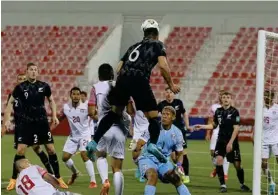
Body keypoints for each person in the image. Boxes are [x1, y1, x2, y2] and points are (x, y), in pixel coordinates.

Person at [87, 19, 180, 163]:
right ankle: (152, 145)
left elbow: (118, 68)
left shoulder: (133, 47)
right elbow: (163, 66)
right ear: (156, 33)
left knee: (114, 113)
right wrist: (172, 84)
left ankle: (94, 142)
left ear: (144, 32)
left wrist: (123, 85)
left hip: (123, 79)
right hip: (139, 78)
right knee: (154, 117)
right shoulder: (157, 45)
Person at [2, 62, 68, 189]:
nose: (33, 71)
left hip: (42, 122)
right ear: (27, 71)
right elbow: (10, 102)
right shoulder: (20, 87)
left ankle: (58, 178)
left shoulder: (44, 86)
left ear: (38, 72)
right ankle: (13, 179)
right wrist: (8, 119)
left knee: (51, 149)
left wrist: (54, 115)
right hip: (27, 123)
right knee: (20, 150)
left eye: (35, 70)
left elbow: (51, 100)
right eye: (31, 69)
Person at [87, 63, 132, 195]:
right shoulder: (121, 86)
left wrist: (100, 116)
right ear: (112, 74)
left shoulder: (95, 87)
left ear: (99, 76)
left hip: (103, 128)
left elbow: (90, 112)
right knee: (117, 168)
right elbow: (130, 110)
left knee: (101, 156)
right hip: (120, 129)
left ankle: (105, 180)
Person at [5, 73, 54, 191]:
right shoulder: (13, 95)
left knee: (37, 148)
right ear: (17, 81)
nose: (21, 81)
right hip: (20, 127)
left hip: (30, 126)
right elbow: (9, 109)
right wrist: (5, 122)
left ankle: (50, 173)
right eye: (19, 79)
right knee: (21, 151)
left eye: (23, 79)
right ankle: (14, 178)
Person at [194, 92, 250, 193]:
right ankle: (223, 185)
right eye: (224, 97)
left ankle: (242, 184)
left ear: (231, 99)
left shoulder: (235, 112)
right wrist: (202, 127)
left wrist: (230, 143)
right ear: (221, 99)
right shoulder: (218, 111)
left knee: (237, 165)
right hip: (221, 140)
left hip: (232, 142)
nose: (226, 99)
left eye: (228, 97)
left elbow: (236, 129)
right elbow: (214, 125)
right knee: (219, 161)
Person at [133, 106, 191, 195]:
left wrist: (179, 165)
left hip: (163, 161)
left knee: (175, 178)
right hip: (147, 159)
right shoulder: (152, 127)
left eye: (167, 114)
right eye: (163, 114)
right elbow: (139, 143)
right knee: (153, 176)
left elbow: (180, 153)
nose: (164, 116)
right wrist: (135, 156)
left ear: (173, 117)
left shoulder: (178, 133)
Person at [61, 87, 97, 188]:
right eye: (74, 94)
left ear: (80, 95)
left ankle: (93, 181)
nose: (76, 96)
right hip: (73, 136)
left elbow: (95, 115)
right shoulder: (66, 107)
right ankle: (75, 173)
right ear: (70, 95)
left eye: (78, 94)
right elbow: (61, 117)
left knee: (84, 155)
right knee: (65, 158)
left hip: (85, 135)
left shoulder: (86, 107)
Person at [157, 87, 191, 183]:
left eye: (170, 92)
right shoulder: (161, 104)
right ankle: (179, 170)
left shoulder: (178, 102)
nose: (168, 94)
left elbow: (184, 114)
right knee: (173, 157)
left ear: (173, 94)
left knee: (183, 153)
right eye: (167, 92)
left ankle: (186, 175)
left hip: (179, 132)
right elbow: (155, 115)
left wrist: (187, 125)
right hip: (167, 133)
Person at [15, 158, 81, 195]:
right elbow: (50, 179)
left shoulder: (17, 186)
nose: (29, 163)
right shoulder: (33, 167)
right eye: (27, 162)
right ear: (21, 166)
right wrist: (57, 187)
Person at [205, 90, 229, 180]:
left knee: (224, 153)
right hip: (215, 131)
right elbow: (210, 120)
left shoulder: (230, 108)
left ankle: (225, 173)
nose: (221, 97)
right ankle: (217, 168)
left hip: (225, 133)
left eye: (223, 95)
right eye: (220, 95)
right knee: (212, 152)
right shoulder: (214, 107)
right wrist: (208, 133)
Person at [126, 99, 149, 182]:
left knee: (145, 152)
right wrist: (129, 101)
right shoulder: (134, 101)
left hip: (147, 130)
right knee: (134, 155)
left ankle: (144, 173)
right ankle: (140, 167)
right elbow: (130, 113)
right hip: (137, 131)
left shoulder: (148, 100)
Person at [261, 90, 278, 194]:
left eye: (267, 96)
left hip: (276, 139)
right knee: (263, 164)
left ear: (272, 97)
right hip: (264, 140)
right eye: (264, 96)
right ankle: (271, 183)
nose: (265, 98)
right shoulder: (260, 109)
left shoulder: (277, 108)